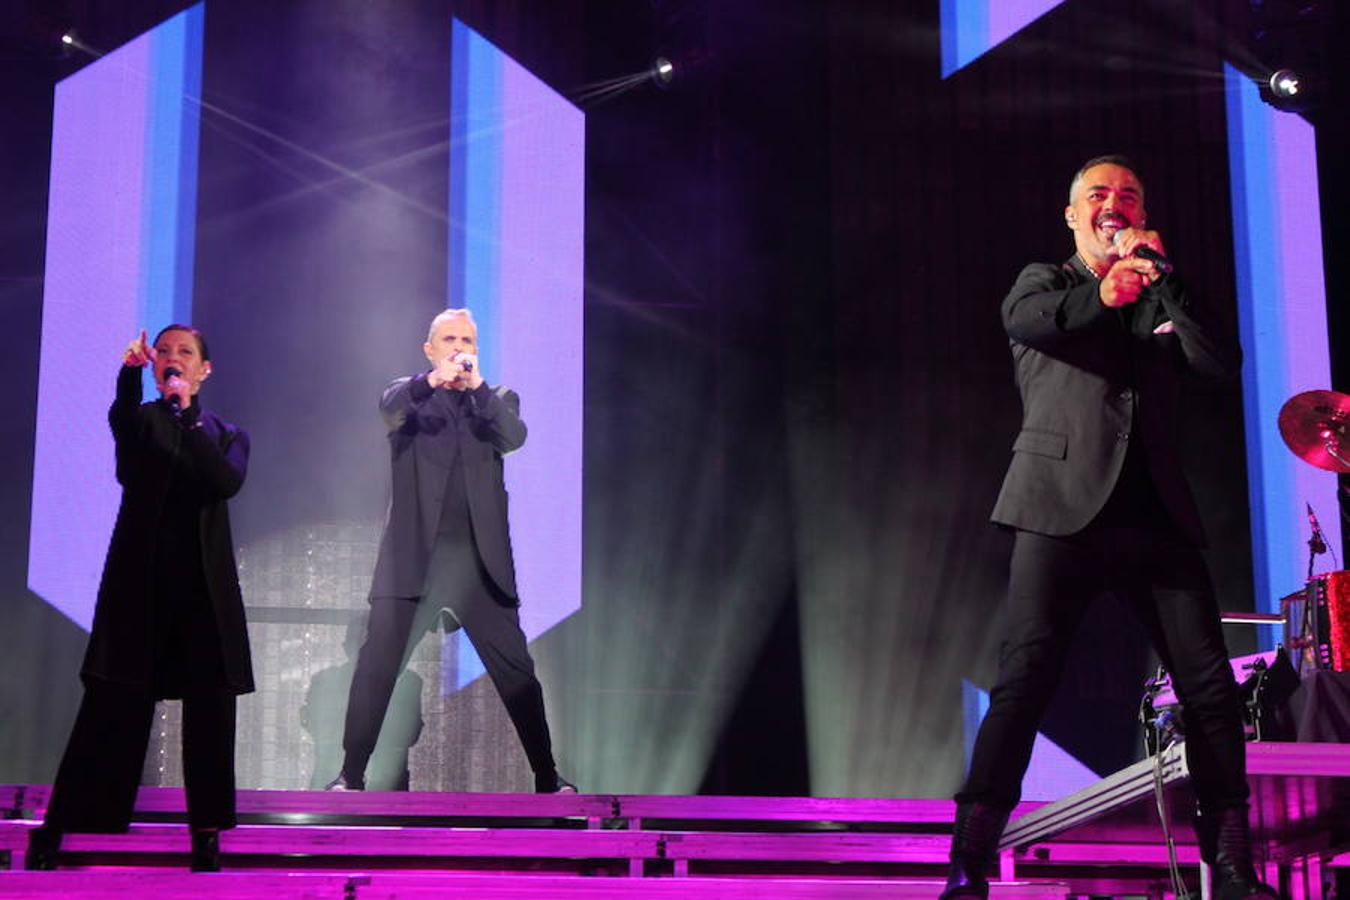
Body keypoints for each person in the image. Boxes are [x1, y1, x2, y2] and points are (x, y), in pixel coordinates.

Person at [940, 157, 1276, 898]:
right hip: (1060, 510)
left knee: (1211, 691)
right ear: (1072, 215)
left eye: (1129, 196)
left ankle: (1230, 867)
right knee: (1024, 683)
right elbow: (1030, 322)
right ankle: (969, 864)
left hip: (1154, 516)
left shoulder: (1156, 285)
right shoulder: (1045, 283)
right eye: (1099, 195)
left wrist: (1164, 278)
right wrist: (1106, 289)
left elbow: (1218, 364)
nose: (1114, 205)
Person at [26, 326, 253, 873]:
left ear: (204, 370)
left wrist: (189, 418)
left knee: (209, 711)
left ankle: (205, 833)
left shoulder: (226, 434)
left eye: (186, 353)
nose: (174, 360)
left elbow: (223, 482)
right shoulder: (142, 421)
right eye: (166, 352)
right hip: (140, 587)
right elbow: (126, 441)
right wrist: (129, 376)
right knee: (110, 703)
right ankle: (65, 826)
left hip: (202, 591)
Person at [327, 308, 573, 793]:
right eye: (450, 339)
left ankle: (547, 778)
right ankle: (350, 774)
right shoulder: (409, 397)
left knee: (517, 671)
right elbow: (390, 408)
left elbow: (514, 436)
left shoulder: (496, 400)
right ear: (430, 349)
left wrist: (478, 388)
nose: (460, 348)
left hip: (480, 566)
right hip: (414, 561)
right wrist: (430, 382)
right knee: (377, 666)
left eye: (467, 340)